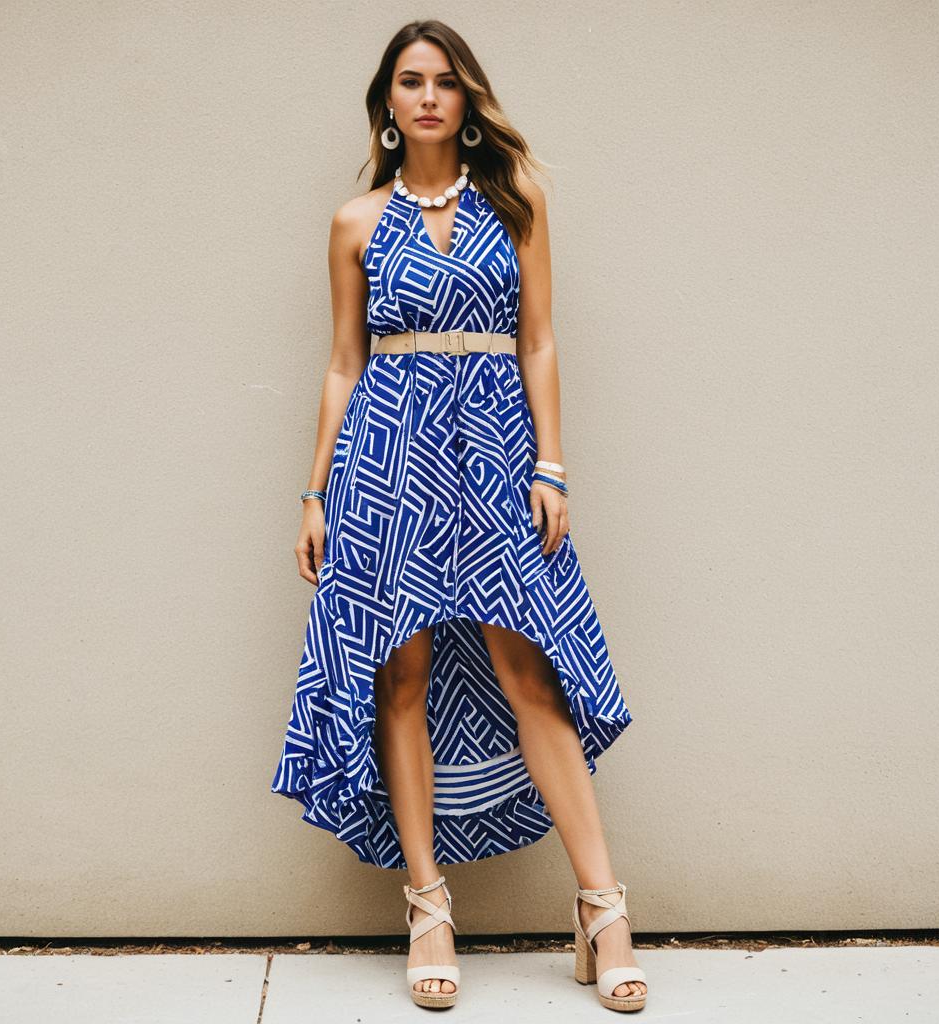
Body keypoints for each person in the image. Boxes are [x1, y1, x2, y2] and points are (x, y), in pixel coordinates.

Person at [270, 19, 646, 1014]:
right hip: (385, 454)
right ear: (388, 105)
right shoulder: (355, 221)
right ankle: (427, 905)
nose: (428, 96)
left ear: (466, 97)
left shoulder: (513, 203)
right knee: (400, 670)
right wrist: (315, 492)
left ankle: (602, 909)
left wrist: (551, 466)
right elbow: (344, 361)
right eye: (410, 81)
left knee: (530, 664)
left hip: (492, 451)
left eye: (443, 81)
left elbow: (540, 342)